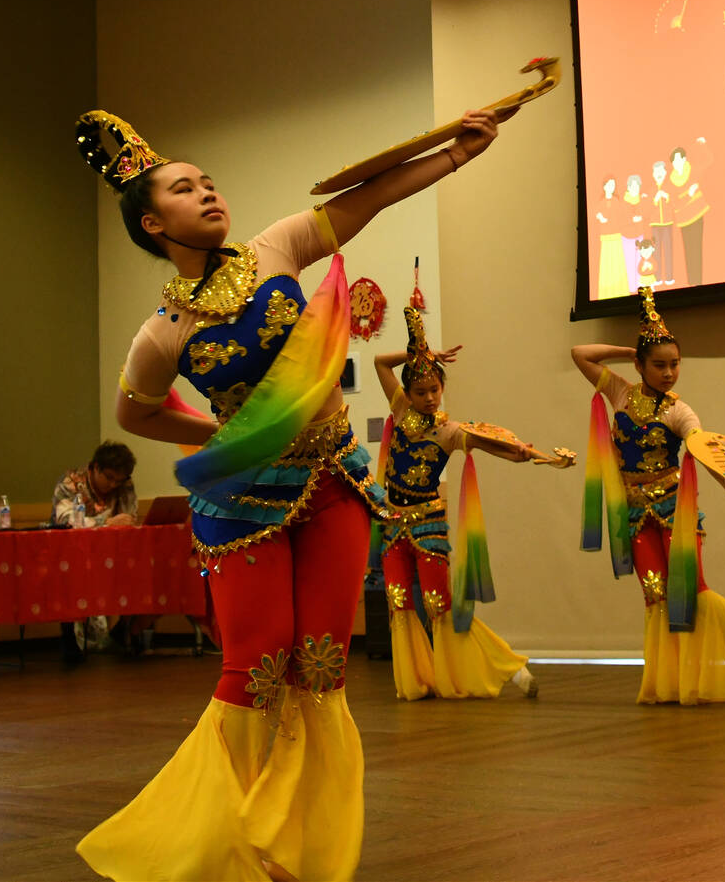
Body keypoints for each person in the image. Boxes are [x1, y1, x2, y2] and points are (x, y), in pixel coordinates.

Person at [73, 104, 503, 882]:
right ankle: (219, 842)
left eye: (209, 181)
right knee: (257, 666)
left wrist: (456, 153)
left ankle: (293, 844)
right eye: (183, 188)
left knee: (321, 664)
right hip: (240, 503)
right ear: (150, 222)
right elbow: (132, 411)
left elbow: (367, 196)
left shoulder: (277, 247)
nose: (207, 192)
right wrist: (214, 436)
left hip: (332, 478)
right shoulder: (160, 331)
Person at [572, 287, 725, 705]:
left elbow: (701, 446)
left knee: (693, 591)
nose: (669, 372)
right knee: (655, 594)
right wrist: (632, 348)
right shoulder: (621, 392)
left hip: (675, 508)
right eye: (658, 364)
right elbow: (580, 353)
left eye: (674, 364)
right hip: (635, 513)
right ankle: (670, 680)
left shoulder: (679, 411)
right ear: (639, 365)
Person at [373, 305, 538, 701]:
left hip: (428, 524)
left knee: (437, 604)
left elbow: (483, 442)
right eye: (421, 392)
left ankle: (508, 669)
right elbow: (380, 362)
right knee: (397, 602)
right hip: (393, 523)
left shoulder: (447, 431)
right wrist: (418, 355)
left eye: (435, 390)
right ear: (407, 393)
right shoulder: (397, 409)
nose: (430, 398)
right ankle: (416, 680)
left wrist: (517, 452)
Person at [51, 443, 142, 665]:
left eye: (118, 481)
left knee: (144, 570)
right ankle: (71, 639)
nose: (113, 485)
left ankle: (127, 633)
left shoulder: (124, 484)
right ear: (94, 468)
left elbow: (130, 517)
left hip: (114, 553)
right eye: (109, 478)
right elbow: (67, 521)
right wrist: (108, 522)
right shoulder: (70, 484)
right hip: (72, 555)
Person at [668, 141, 710, 287]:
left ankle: (698, 283)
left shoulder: (692, 171)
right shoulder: (671, 181)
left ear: (685, 159)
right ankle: (692, 285)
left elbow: (708, 161)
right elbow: (675, 203)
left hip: (697, 215)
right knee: (688, 252)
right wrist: (689, 194)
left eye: (679, 159)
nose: (676, 163)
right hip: (684, 220)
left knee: (697, 249)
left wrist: (702, 145)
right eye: (674, 161)